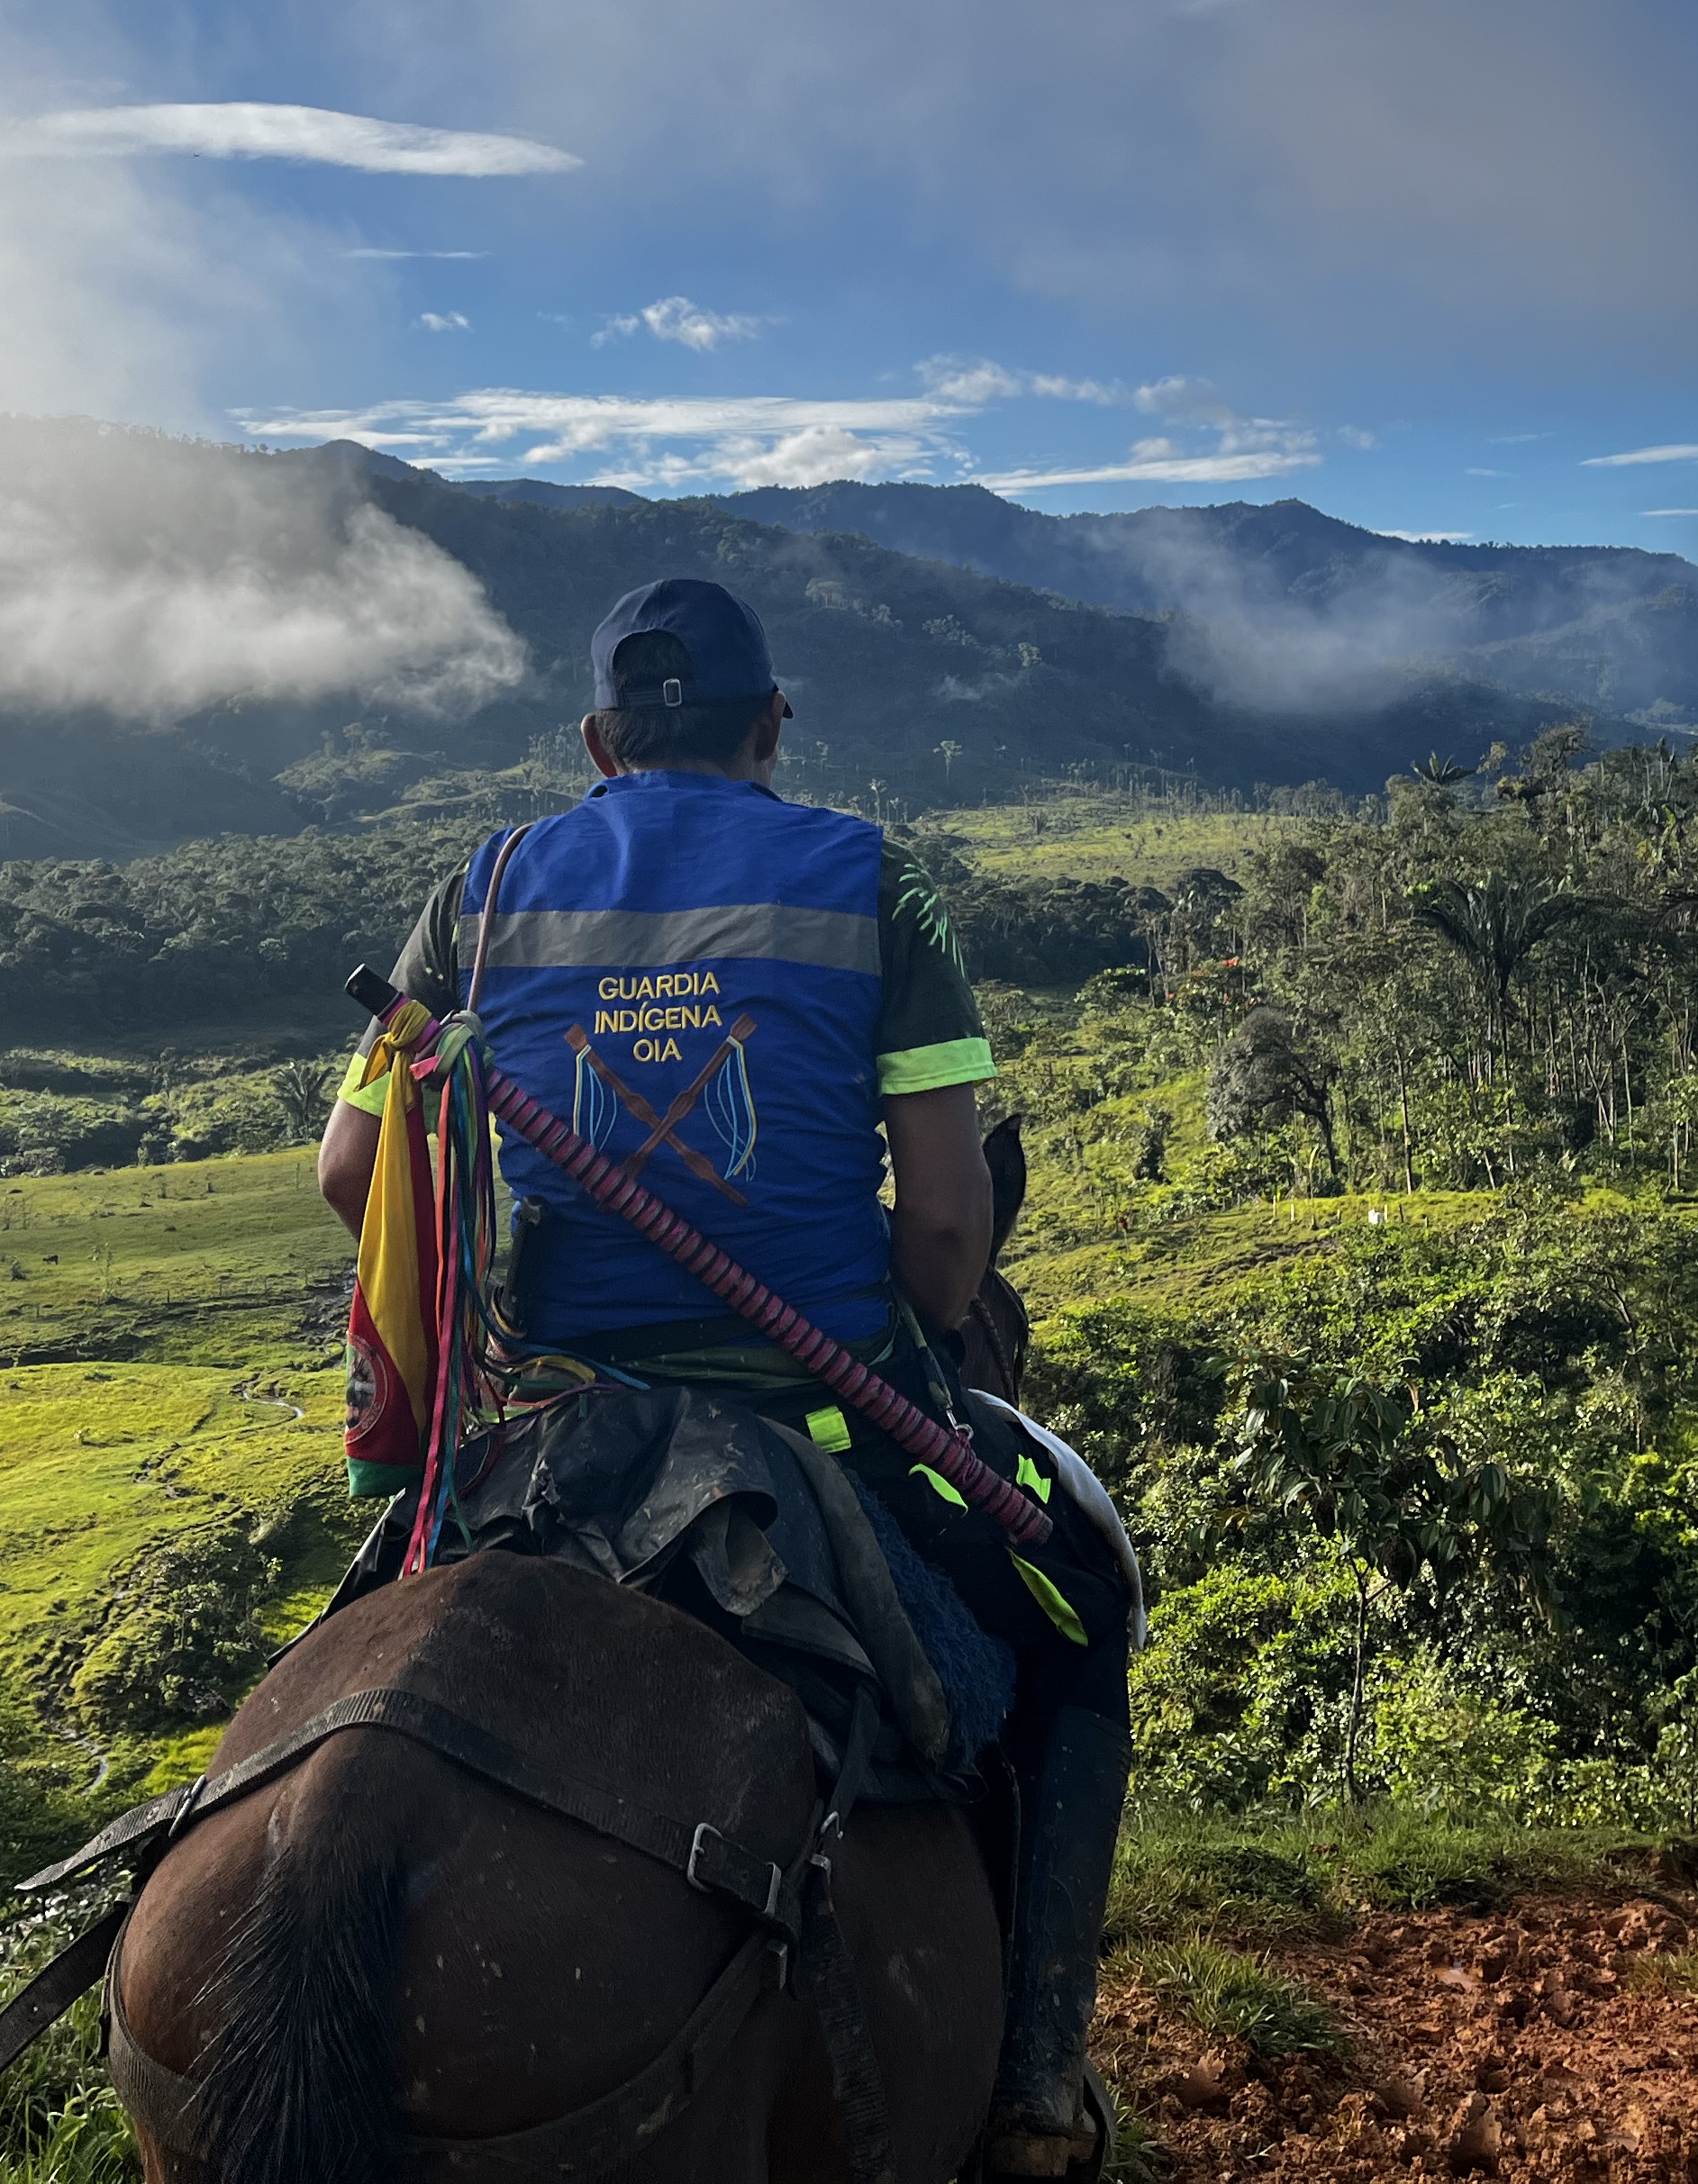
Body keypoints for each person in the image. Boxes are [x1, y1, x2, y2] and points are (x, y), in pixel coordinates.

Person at [313, 575, 1129, 2176]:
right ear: (773, 725)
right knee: (1083, 1606)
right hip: (817, 1416)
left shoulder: (478, 896)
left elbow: (354, 1173)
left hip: (547, 1430)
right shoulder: (873, 882)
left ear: (598, 740)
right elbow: (955, 1238)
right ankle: (1037, 2091)